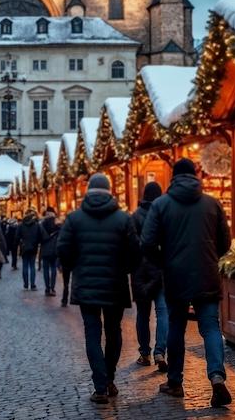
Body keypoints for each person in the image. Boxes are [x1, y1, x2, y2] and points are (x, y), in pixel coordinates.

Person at [141, 158, 233, 408]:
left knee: (176, 327)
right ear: (195, 176)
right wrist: (210, 257)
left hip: (176, 276)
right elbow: (225, 242)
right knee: (211, 327)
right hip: (207, 274)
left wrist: (164, 261)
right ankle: (216, 377)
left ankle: (175, 382)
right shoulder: (212, 204)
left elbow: (147, 243)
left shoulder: (161, 205)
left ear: (173, 177)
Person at [57, 173, 140, 405]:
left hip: (86, 285)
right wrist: (123, 269)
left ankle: (100, 386)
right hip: (115, 285)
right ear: (110, 192)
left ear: (88, 192)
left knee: (92, 333)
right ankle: (109, 378)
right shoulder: (123, 219)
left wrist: (76, 267)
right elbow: (135, 252)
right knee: (114, 332)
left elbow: (63, 249)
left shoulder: (74, 218)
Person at [131, 181, 168, 371]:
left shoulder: (135, 216)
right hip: (160, 270)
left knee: (143, 314)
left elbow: (131, 246)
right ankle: (160, 351)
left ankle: (144, 353)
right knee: (163, 312)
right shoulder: (163, 214)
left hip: (141, 273)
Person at [17, 208, 42, 290]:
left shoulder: (21, 225)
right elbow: (39, 236)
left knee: (25, 266)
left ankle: (26, 284)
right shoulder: (36, 225)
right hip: (33, 247)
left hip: (24, 247)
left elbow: (17, 237)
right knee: (32, 266)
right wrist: (36, 242)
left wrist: (19, 243)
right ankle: (33, 285)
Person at [38, 207, 60, 296]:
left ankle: (47, 289)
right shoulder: (57, 224)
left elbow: (39, 238)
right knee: (54, 268)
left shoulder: (42, 224)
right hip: (54, 249)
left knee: (46, 269)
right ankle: (53, 289)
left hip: (45, 249)